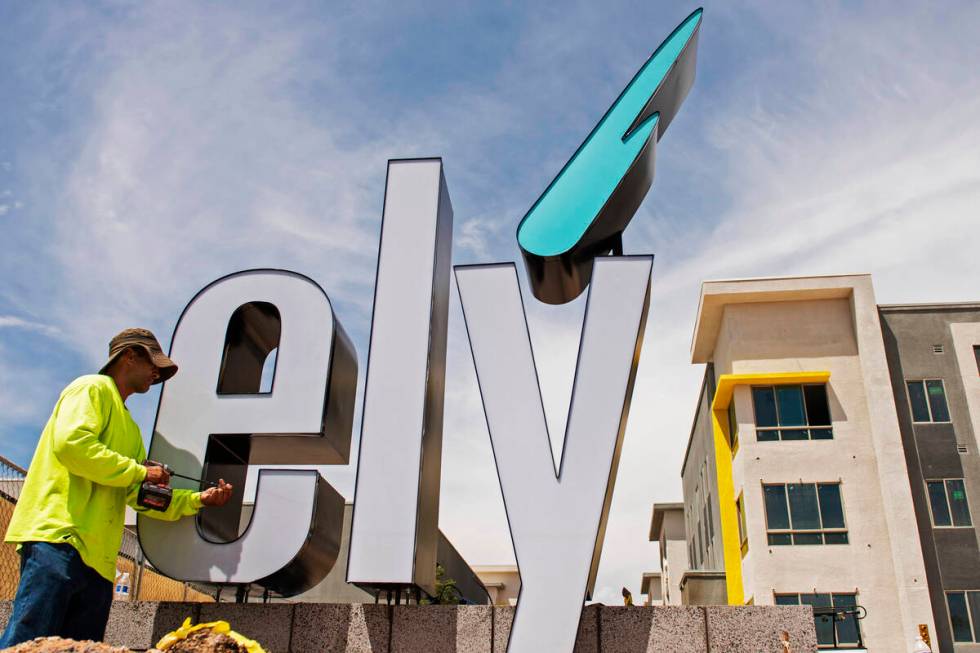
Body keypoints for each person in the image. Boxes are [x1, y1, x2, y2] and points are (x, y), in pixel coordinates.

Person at [1, 328, 234, 646]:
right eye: (153, 363)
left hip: (99, 562)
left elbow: (138, 495)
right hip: (58, 538)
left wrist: (198, 500)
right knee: (28, 643)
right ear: (128, 355)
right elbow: (72, 446)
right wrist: (138, 470)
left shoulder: (132, 431)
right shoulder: (91, 388)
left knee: (80, 649)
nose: (156, 373)